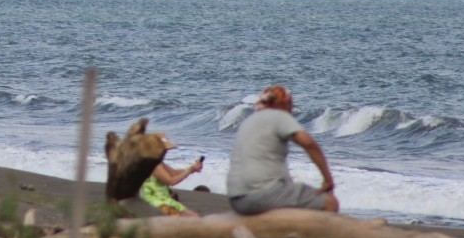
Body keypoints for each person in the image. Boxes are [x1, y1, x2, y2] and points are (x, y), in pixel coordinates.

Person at [226, 85, 339, 215]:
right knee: (330, 203)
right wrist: (328, 180)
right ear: (283, 104)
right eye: (290, 103)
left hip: (236, 196)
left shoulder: (248, 121)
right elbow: (309, 144)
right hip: (261, 194)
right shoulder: (278, 115)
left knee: (290, 193)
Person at [139, 137, 204, 216]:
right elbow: (171, 181)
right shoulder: (154, 164)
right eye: (164, 150)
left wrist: (192, 169)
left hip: (161, 198)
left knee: (193, 217)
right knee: (193, 217)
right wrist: (190, 170)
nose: (165, 152)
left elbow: (174, 173)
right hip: (156, 200)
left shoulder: (157, 162)